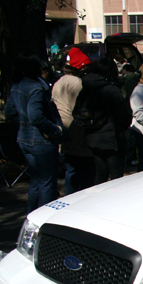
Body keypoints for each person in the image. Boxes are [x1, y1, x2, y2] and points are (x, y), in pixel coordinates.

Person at [5, 54, 66, 212]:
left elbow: (10, 113)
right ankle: (45, 217)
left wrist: (24, 123)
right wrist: (55, 129)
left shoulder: (17, 85)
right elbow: (36, 116)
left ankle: (32, 214)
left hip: (24, 138)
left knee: (36, 182)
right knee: (46, 184)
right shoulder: (36, 88)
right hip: (41, 140)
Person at [78, 57, 132, 184]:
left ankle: (99, 200)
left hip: (93, 135)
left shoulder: (86, 88)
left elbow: (78, 111)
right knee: (116, 175)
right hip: (112, 137)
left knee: (101, 172)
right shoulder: (111, 90)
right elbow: (123, 114)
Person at [52, 47, 95, 194]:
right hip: (77, 130)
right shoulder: (77, 83)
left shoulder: (59, 82)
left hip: (63, 129)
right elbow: (83, 108)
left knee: (71, 168)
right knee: (85, 169)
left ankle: (69, 195)